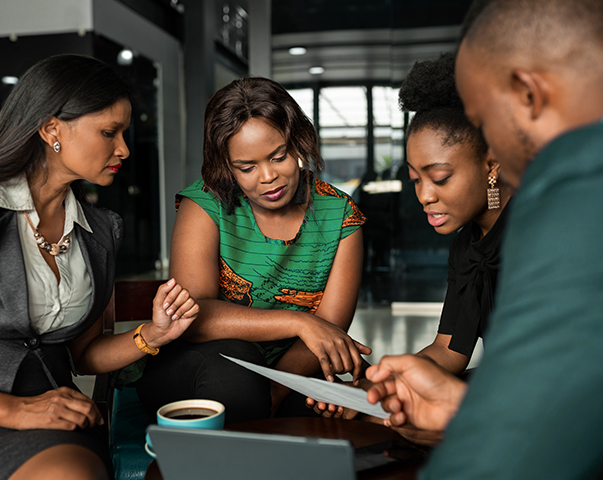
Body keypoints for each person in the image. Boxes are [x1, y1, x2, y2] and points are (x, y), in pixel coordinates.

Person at [366, 0, 603, 477]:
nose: (490, 146)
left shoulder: (571, 202)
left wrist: (476, 421)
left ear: (528, 95)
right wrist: (463, 408)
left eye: (485, 119)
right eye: (415, 179)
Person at [0, 54, 198, 480]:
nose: (124, 148)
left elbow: (84, 355)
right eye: (109, 132)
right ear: (51, 128)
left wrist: (153, 333)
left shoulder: (101, 231)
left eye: (124, 132)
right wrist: (16, 410)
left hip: (53, 424)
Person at [135, 77, 370, 424]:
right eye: (246, 167)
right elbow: (193, 319)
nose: (268, 177)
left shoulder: (341, 214)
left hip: (293, 365)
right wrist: (298, 321)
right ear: (226, 166)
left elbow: (328, 330)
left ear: (298, 143)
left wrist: (274, 391)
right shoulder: (204, 204)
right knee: (236, 374)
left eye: (279, 157)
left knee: (338, 408)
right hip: (202, 361)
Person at [307, 52, 512, 445]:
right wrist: (380, 382)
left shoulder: (541, 232)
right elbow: (450, 349)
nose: (424, 196)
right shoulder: (467, 248)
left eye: (439, 178)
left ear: (491, 164)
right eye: (416, 180)